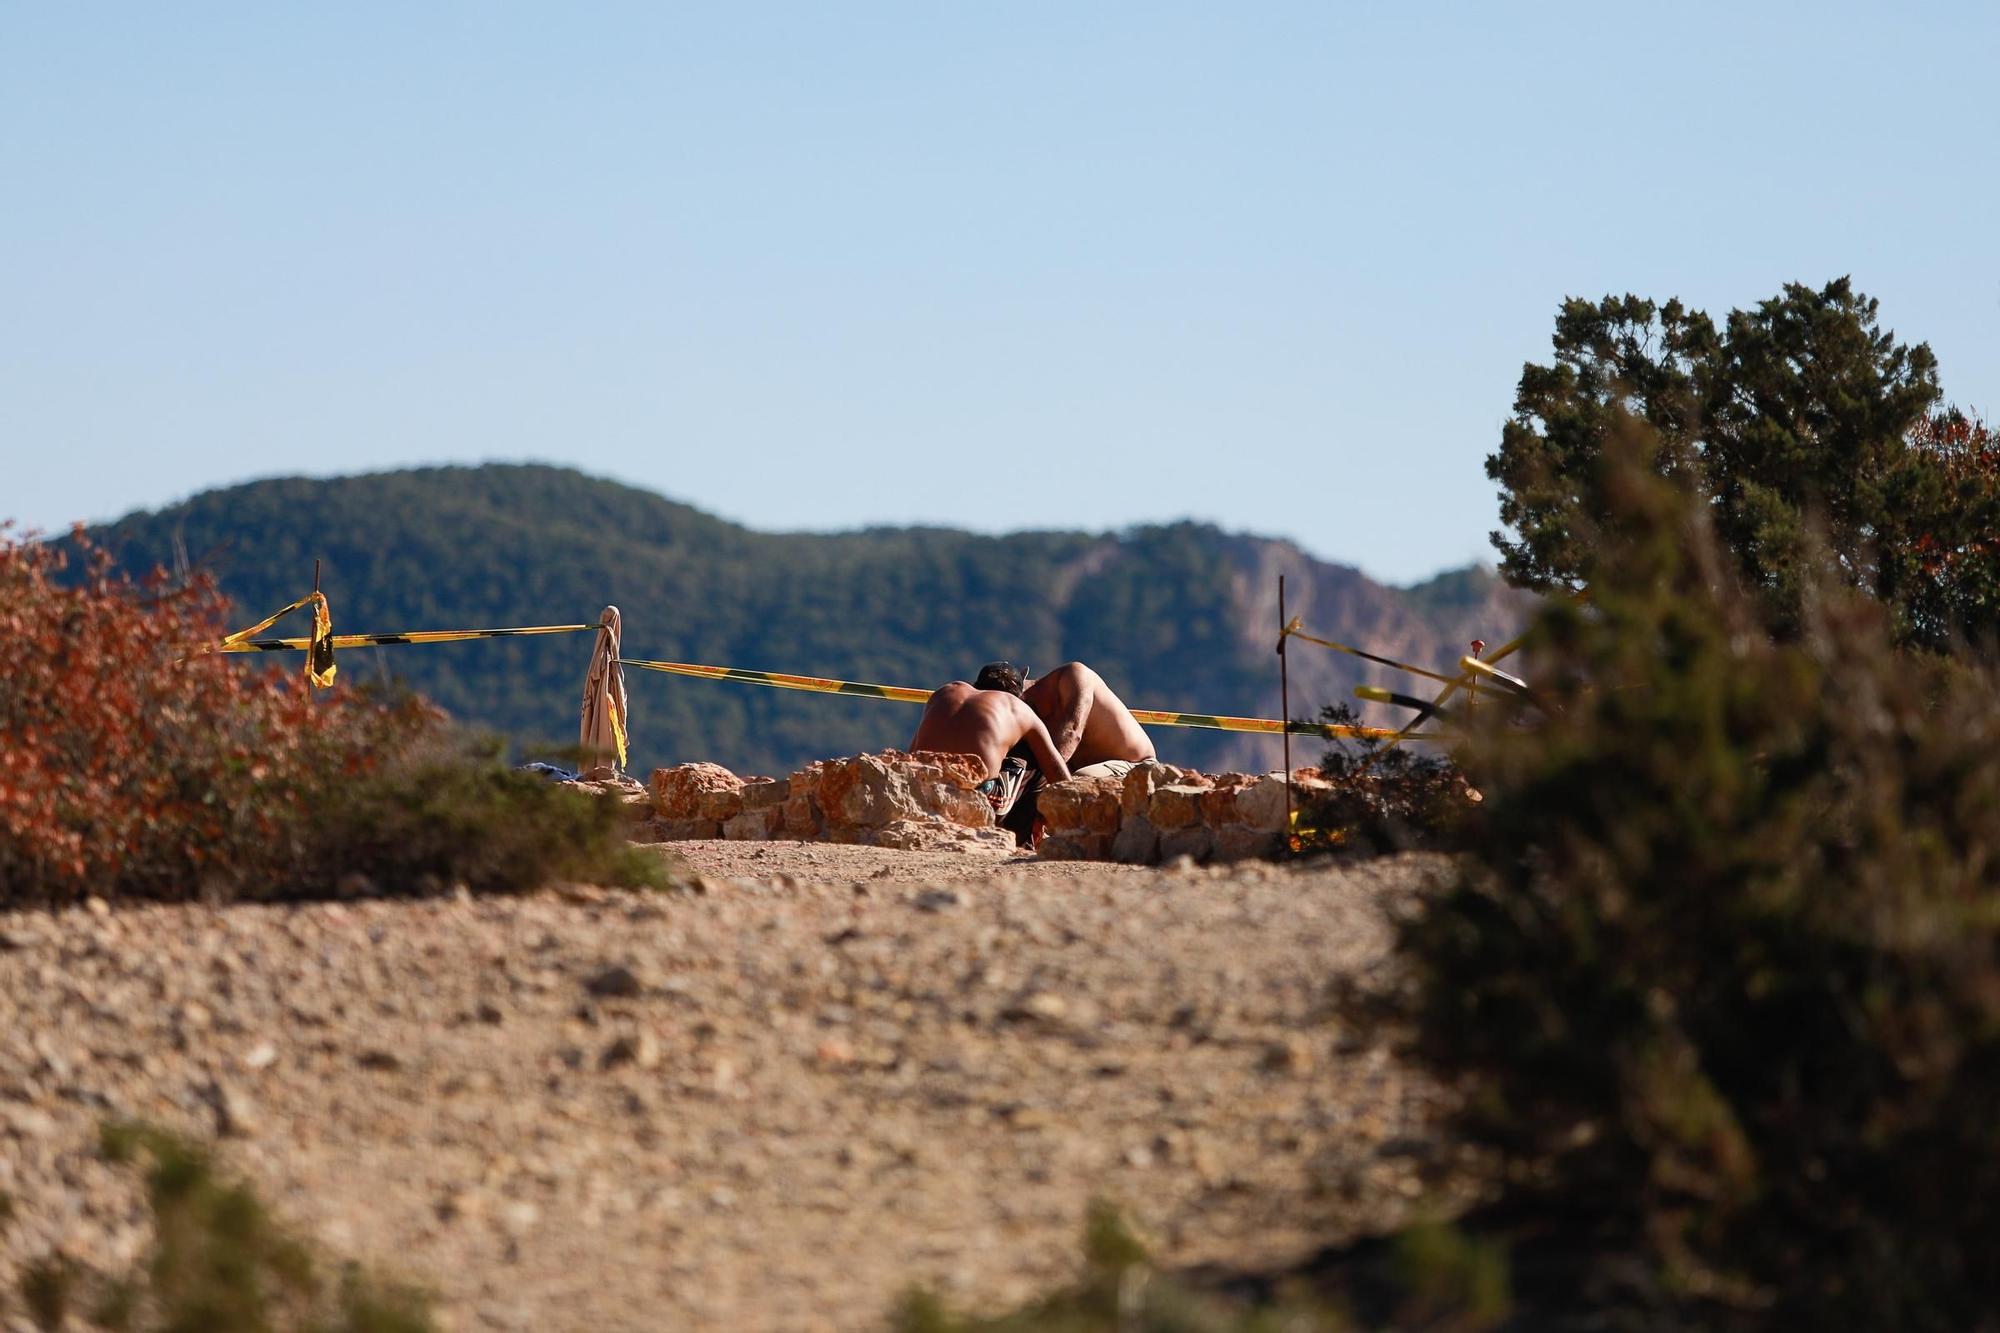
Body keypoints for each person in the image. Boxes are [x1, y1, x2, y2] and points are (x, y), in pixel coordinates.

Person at [909, 673, 1072, 844]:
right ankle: (1022, 838)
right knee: (1037, 763)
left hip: (922, 785)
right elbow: (1054, 768)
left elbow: (912, 754)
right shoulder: (1016, 707)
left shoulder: (946, 691)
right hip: (976, 794)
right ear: (1018, 694)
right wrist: (1077, 810)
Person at [974, 660, 1156, 779]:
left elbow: (1071, 734)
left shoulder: (1074, 677)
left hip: (1136, 766)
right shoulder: (1025, 714)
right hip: (1080, 769)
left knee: (1081, 782)